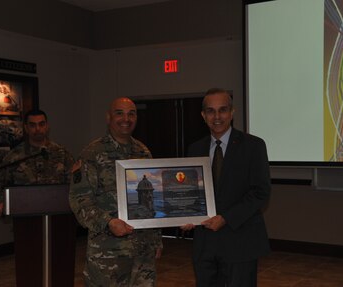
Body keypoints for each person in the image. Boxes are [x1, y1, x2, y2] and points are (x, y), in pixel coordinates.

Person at [182, 88, 271, 287]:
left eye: (222, 110)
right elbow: (191, 191)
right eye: (211, 111)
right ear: (203, 116)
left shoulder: (254, 146)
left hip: (241, 241)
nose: (217, 117)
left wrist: (226, 218)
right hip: (205, 245)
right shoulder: (195, 149)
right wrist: (186, 214)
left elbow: (261, 192)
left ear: (232, 112)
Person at [69, 97, 163, 287]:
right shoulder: (92, 153)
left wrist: (156, 240)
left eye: (131, 114)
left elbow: (150, 202)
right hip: (107, 253)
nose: (125, 119)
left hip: (143, 252)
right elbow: (80, 201)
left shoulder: (143, 152)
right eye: (119, 113)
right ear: (108, 117)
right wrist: (108, 222)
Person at [0, 109, 75, 287]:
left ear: (47, 126)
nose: (37, 129)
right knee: (30, 271)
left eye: (41, 124)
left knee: (60, 270)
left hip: (59, 223)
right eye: (32, 125)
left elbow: (76, 183)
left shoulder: (61, 153)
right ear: (26, 128)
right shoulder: (14, 156)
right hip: (27, 225)